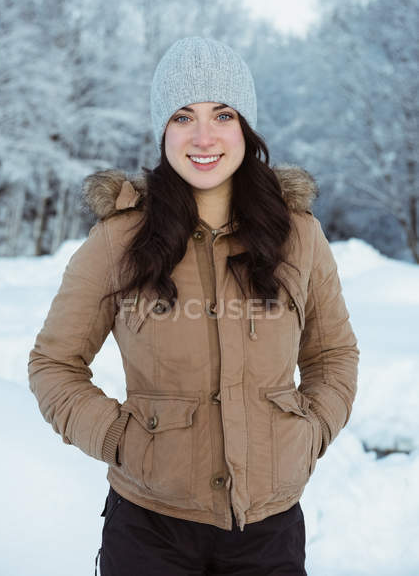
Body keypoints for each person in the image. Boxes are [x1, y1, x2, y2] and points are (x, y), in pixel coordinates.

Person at [28, 36, 359, 575]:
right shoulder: (118, 240)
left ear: (245, 129)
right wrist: (117, 438)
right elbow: (53, 364)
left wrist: (310, 431)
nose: (203, 136)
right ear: (163, 130)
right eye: (184, 116)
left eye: (222, 114)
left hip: (269, 531)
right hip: (148, 528)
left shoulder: (300, 237)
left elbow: (333, 354)